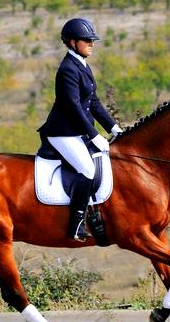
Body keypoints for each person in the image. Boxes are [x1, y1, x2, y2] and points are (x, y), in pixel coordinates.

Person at [37, 18, 123, 242]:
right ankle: (75, 225)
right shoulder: (67, 69)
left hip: (77, 130)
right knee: (87, 170)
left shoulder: (83, 65)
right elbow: (74, 107)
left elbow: (93, 102)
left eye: (92, 40)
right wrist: (95, 136)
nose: (92, 44)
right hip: (62, 132)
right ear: (73, 42)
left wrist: (114, 128)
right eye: (87, 40)